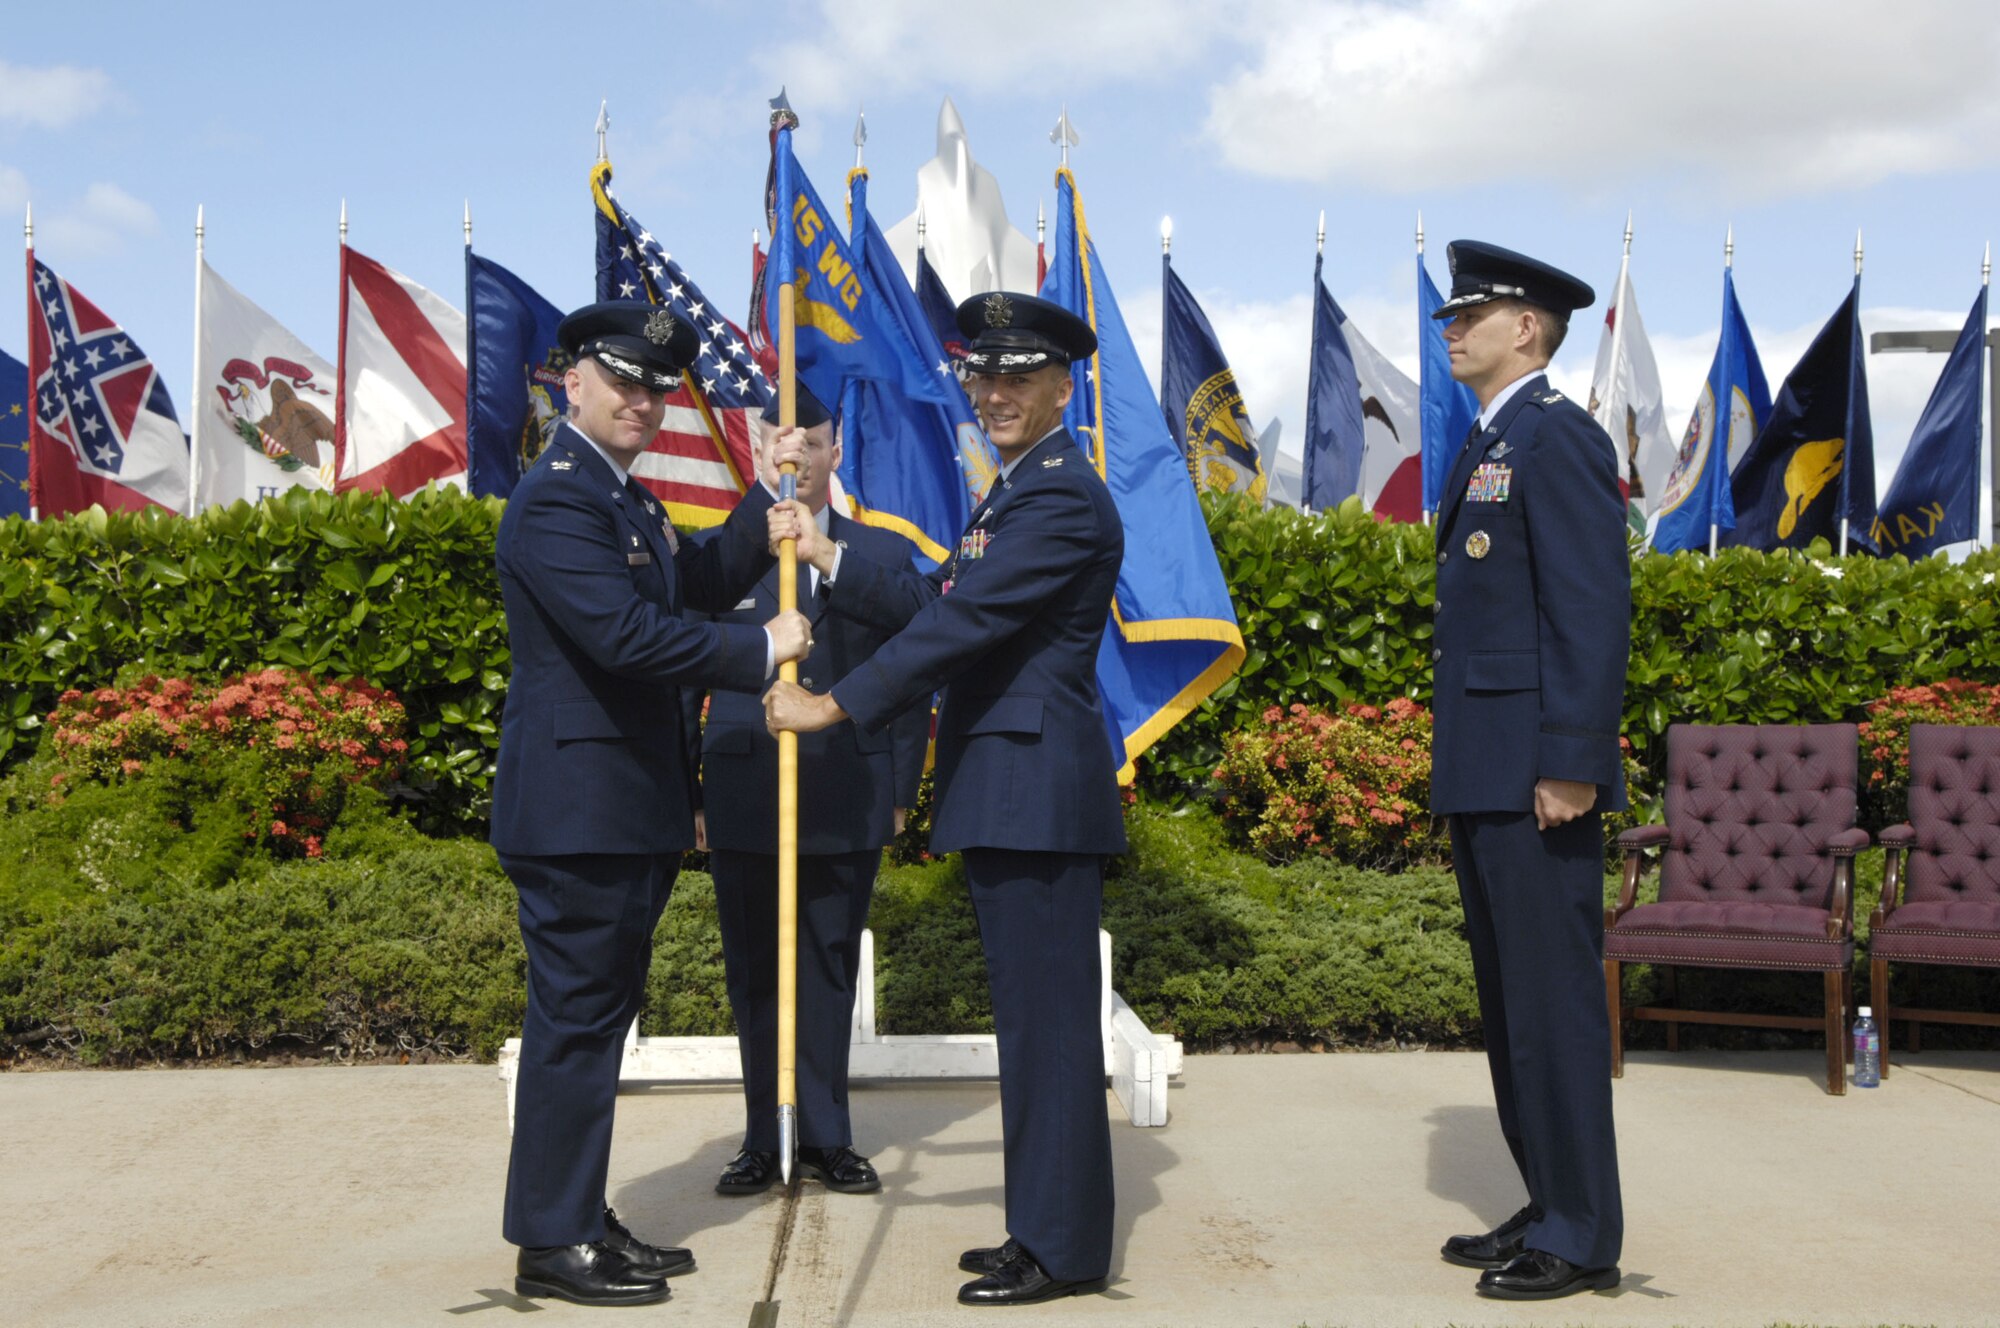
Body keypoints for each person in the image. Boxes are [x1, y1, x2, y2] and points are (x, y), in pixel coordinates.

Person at [764, 292, 1125, 1308]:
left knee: (1049, 1028)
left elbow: (958, 631)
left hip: (1036, 790)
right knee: (1030, 1025)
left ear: (1064, 385)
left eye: (1020, 377)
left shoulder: (1058, 496)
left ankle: (1062, 1246)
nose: (996, 393)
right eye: (984, 376)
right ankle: (1038, 1226)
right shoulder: (1012, 492)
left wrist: (834, 702)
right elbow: (939, 603)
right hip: (1007, 785)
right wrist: (832, 554)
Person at [491, 300, 814, 1308]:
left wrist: (764, 507)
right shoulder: (556, 502)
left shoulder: (619, 499)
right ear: (570, 379)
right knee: (577, 1024)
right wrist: (763, 648)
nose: (641, 398)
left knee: (596, 1020)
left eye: (657, 386)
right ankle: (552, 1237)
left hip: (621, 808)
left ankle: (577, 1213)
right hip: (579, 811)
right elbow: (628, 638)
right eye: (622, 377)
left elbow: (683, 587)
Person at [1427, 241, 1631, 1301]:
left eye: (1473, 312)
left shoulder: (1553, 436)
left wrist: (1571, 762)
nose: (1450, 326)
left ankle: (1582, 1228)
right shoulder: (1491, 440)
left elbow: (1589, 611)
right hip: (1482, 766)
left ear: (1529, 327)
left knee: (1551, 1002)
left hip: (1534, 776)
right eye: (1448, 314)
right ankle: (1545, 1193)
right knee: (1511, 1004)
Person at [685, 384, 929, 1199]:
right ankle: (763, 1137)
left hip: (846, 788)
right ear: (760, 454)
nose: (794, 457)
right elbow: (682, 672)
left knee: (827, 966)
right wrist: (688, 790)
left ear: (833, 452)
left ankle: (826, 1135)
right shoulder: (725, 555)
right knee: (756, 971)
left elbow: (914, 670)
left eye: (809, 444)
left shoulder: (880, 556)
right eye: (777, 444)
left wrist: (900, 787)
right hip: (746, 787)